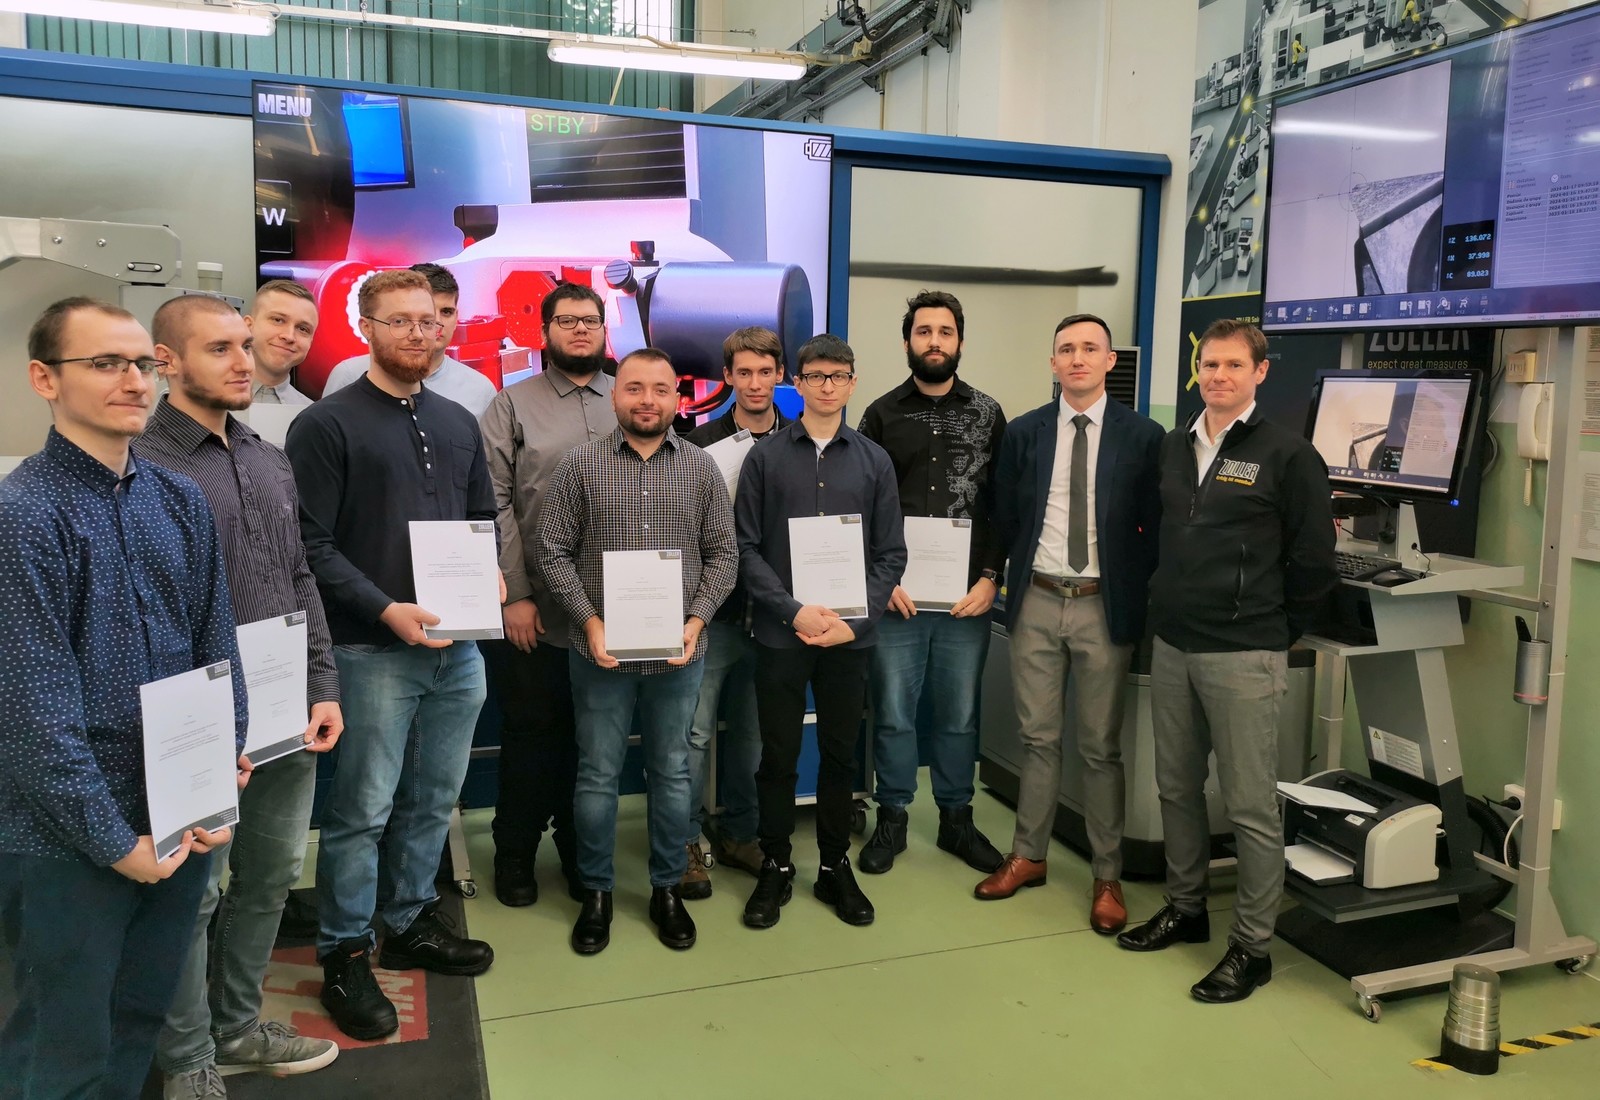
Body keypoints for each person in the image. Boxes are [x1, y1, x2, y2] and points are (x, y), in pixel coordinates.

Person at [0, 297, 247, 1099]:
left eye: (143, 363)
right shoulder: (22, 517)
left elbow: (216, 646)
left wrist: (219, 773)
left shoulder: (177, 499)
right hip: (66, 838)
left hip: (175, 815)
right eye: (105, 363)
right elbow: (33, 715)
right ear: (45, 379)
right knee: (63, 1040)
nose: (135, 380)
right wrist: (115, 843)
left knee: (138, 1018)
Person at [136, 295, 345, 1099]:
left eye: (244, 346)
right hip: (196, 715)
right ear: (166, 361)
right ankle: (188, 1059)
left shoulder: (268, 456)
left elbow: (298, 575)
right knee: (194, 895)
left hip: (284, 702)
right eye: (219, 348)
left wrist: (322, 683)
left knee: (270, 875)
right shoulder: (141, 463)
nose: (243, 362)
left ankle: (237, 1028)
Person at [285, 269, 498, 1040]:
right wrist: (385, 608)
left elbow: (481, 516)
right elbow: (310, 544)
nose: (418, 332)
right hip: (371, 649)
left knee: (433, 799)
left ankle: (407, 921)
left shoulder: (457, 421)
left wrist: (489, 571)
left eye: (429, 320)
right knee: (362, 812)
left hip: (458, 652)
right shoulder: (326, 425)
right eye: (400, 320)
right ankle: (345, 951)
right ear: (365, 328)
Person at [1116, 319, 1336, 1004]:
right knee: (1176, 788)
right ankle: (1186, 909)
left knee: (1248, 807)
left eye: (1234, 365)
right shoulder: (1175, 446)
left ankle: (1252, 947)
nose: (1218, 376)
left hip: (1245, 652)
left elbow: (1314, 560)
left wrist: (1275, 631)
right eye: (1209, 365)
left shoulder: (1288, 454)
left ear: (1260, 372)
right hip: (1175, 645)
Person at [537, 348, 738, 954]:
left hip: (679, 657)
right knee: (597, 774)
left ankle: (666, 888)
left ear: (677, 397)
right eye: (633, 388)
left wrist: (697, 620)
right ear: (614, 394)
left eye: (659, 389)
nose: (647, 400)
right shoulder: (579, 465)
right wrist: (589, 620)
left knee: (672, 772)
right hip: (599, 655)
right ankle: (597, 892)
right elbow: (552, 551)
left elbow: (723, 555)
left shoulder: (701, 468)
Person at [974, 315, 1163, 939]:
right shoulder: (1024, 432)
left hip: (1103, 605)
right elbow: (1002, 515)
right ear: (1052, 362)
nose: (1077, 358)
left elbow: (1156, 527)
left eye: (1089, 348)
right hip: (1035, 599)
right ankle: (1028, 855)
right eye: (1066, 349)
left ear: (1110, 360)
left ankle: (1107, 876)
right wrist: (993, 576)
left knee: (1101, 747)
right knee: (1037, 738)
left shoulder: (1144, 436)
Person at [735, 334, 906, 930]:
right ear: (798, 383)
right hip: (783, 635)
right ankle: (776, 863)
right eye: (816, 376)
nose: (827, 386)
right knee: (778, 755)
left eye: (838, 376)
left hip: (847, 641)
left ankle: (834, 864)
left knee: (838, 753)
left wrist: (853, 623)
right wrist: (793, 611)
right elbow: (746, 549)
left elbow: (891, 554)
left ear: (852, 383)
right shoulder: (765, 459)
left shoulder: (875, 462)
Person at [855, 291, 1008, 878]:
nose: (935, 341)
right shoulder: (880, 415)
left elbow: (1003, 505)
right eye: (924, 332)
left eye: (945, 332)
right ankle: (892, 816)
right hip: (899, 599)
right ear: (907, 342)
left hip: (968, 599)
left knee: (960, 716)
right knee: (894, 714)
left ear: (960, 342)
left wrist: (992, 577)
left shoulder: (989, 413)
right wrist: (879, 580)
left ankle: (955, 819)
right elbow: (862, 504)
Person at [479, 283, 617, 908]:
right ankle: (515, 854)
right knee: (532, 735)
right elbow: (494, 503)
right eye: (567, 321)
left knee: (593, 742)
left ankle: (579, 849)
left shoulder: (629, 398)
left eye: (590, 320)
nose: (580, 330)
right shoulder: (511, 405)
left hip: (612, 616)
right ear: (544, 332)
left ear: (605, 330)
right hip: (535, 609)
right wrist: (515, 594)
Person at [682, 326, 793, 894]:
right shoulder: (697, 445)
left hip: (774, 618)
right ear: (726, 376)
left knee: (753, 735)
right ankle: (683, 843)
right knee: (694, 734)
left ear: (781, 374)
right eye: (743, 372)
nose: (754, 383)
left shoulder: (800, 441)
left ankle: (740, 833)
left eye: (765, 371)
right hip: (713, 615)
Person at [322, 262, 498, 417]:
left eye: (446, 312)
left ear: (457, 317)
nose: (436, 322)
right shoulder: (349, 375)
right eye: (424, 314)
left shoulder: (481, 390)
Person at [245, 279, 317, 405]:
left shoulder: (312, 413)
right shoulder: (208, 401)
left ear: (311, 341)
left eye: (302, 329)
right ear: (248, 326)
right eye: (278, 320)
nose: (289, 336)